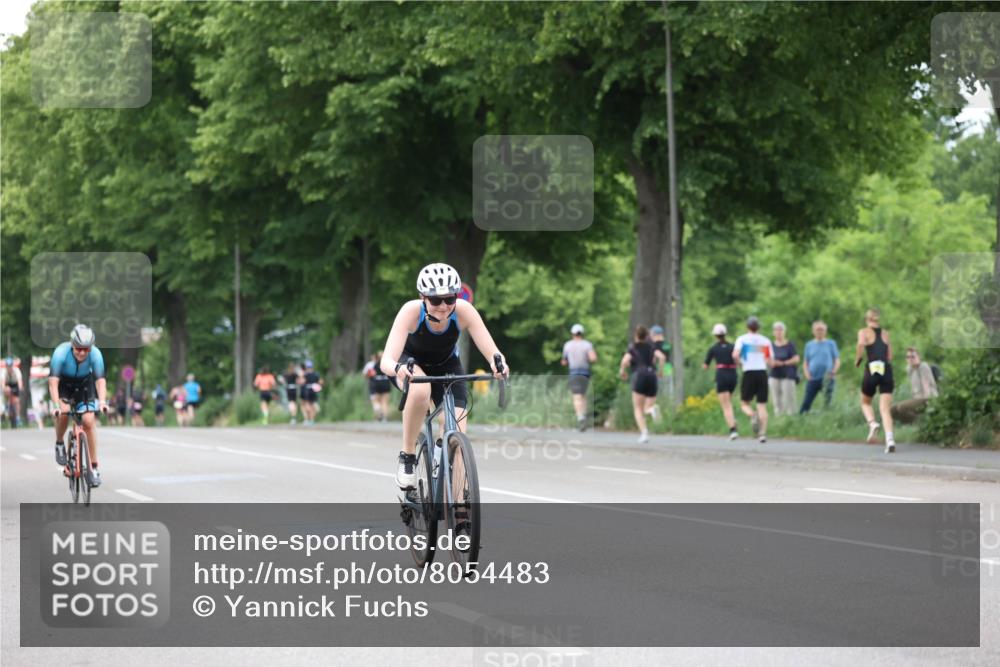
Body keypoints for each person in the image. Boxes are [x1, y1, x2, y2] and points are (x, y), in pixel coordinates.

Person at [380, 263, 508, 489]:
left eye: (449, 299)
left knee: (457, 436)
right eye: (435, 300)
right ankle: (408, 456)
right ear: (422, 297)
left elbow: (493, 352)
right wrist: (398, 369)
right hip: (409, 364)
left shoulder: (464, 311)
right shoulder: (411, 311)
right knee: (421, 389)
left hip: (446, 364)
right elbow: (386, 361)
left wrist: (498, 364)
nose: (443, 306)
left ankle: (459, 505)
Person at [49, 324, 109, 487]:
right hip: (64, 385)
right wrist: (56, 405)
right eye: (78, 349)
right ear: (72, 345)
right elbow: (53, 383)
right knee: (64, 412)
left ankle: (94, 468)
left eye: (86, 349)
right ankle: (59, 443)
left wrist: (102, 402)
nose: (82, 353)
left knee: (89, 421)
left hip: (84, 386)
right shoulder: (60, 353)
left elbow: (100, 380)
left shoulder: (96, 354)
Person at [855, 307, 896, 453]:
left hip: (872, 368)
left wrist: (858, 360)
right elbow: (889, 356)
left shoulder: (864, 332)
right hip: (886, 369)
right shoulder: (886, 334)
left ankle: (872, 423)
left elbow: (861, 345)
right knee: (885, 409)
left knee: (865, 402)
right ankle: (890, 440)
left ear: (867, 319)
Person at [618, 325, 667, 444]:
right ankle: (652, 409)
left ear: (636, 335)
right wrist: (660, 371)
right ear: (647, 336)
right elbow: (662, 357)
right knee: (647, 408)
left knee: (638, 409)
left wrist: (622, 372)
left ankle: (644, 434)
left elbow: (624, 361)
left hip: (639, 376)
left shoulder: (633, 347)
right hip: (652, 375)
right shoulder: (652, 347)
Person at [733, 316, 774, 444]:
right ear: (759, 327)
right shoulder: (765, 341)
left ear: (747, 327)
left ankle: (752, 415)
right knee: (762, 405)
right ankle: (762, 434)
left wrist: (740, 363)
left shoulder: (742, 339)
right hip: (762, 372)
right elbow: (770, 361)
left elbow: (735, 355)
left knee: (744, 403)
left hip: (749, 372)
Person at [702, 323, 739, 440]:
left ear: (715, 335)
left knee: (725, 405)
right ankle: (733, 421)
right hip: (733, 375)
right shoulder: (733, 347)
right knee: (729, 402)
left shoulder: (713, 348)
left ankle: (733, 429)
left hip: (722, 375)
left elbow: (705, 366)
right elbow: (738, 359)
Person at [799, 320, 841, 414]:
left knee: (828, 402)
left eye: (822, 329)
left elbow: (837, 360)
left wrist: (834, 371)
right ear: (813, 331)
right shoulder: (809, 345)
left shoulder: (831, 344)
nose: (819, 331)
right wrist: (807, 375)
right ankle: (801, 418)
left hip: (827, 378)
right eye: (817, 329)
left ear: (825, 331)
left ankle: (828, 418)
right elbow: (805, 362)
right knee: (806, 403)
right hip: (813, 378)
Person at [561, 323, 597, 431]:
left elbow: (564, 361)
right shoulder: (587, 345)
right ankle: (584, 416)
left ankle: (580, 418)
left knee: (576, 396)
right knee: (583, 395)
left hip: (574, 373)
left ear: (572, 333)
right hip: (585, 372)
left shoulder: (567, 345)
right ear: (582, 333)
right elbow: (593, 358)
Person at [890, 347, 940, 424]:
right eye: (908, 357)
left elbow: (926, 385)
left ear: (918, 357)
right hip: (917, 398)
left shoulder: (923, 366)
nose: (910, 359)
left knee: (902, 407)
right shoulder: (909, 369)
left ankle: (921, 423)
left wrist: (928, 400)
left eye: (913, 357)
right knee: (892, 410)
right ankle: (910, 424)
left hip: (926, 398)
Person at [768, 322, 800, 416]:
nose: (779, 332)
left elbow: (796, 358)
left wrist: (783, 363)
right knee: (776, 400)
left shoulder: (790, 344)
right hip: (774, 375)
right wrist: (772, 362)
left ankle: (791, 418)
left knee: (789, 399)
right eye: (776, 330)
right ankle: (779, 418)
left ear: (784, 331)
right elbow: (766, 358)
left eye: (781, 330)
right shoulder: (770, 345)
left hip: (788, 375)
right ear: (773, 332)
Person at [363, 351, 392, 422]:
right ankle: (384, 418)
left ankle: (379, 412)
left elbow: (366, 374)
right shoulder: (388, 363)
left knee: (377, 401)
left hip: (376, 382)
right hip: (386, 382)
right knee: (385, 402)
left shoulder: (372, 364)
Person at [1, 357, 24, 428]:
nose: (9, 368)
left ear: (12, 365)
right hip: (7, 384)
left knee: (17, 401)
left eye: (10, 366)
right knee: (7, 390)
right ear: (6, 366)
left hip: (15, 385)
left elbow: (20, 382)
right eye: (8, 366)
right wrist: (4, 389)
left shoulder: (17, 371)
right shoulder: (3, 372)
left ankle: (18, 417)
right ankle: (7, 404)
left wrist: (20, 389)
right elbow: (3, 384)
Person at [300, 360, 322, 425]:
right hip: (314, 390)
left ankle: (308, 419)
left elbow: (302, 382)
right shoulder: (316, 374)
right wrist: (317, 386)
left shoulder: (305, 374)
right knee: (312, 405)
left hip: (307, 390)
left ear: (306, 367)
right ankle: (312, 420)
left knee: (308, 405)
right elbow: (321, 382)